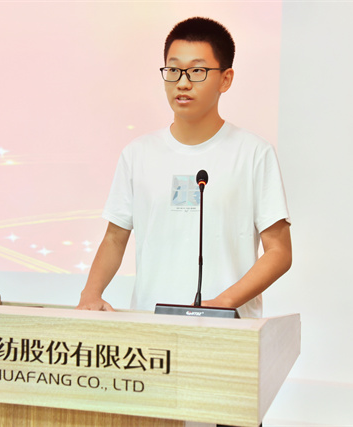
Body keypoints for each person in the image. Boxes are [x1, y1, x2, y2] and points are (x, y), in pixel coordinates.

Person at [76, 17, 291, 319]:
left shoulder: (254, 153)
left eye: (197, 71)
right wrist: (90, 294)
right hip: (150, 327)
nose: (183, 82)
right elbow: (114, 238)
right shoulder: (138, 154)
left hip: (228, 329)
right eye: (174, 70)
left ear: (226, 79)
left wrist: (224, 302)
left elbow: (279, 252)